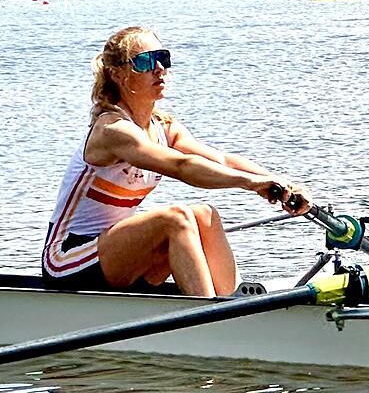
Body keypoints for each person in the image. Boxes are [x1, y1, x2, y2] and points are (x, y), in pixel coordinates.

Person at [42, 26, 312, 297]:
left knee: (204, 215)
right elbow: (182, 167)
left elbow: (221, 160)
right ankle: (209, 319)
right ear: (117, 74)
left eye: (163, 58)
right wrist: (252, 183)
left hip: (115, 250)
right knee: (176, 218)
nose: (159, 68)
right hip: (67, 259)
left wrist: (282, 183)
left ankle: (229, 303)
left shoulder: (164, 127)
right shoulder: (112, 131)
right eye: (145, 61)